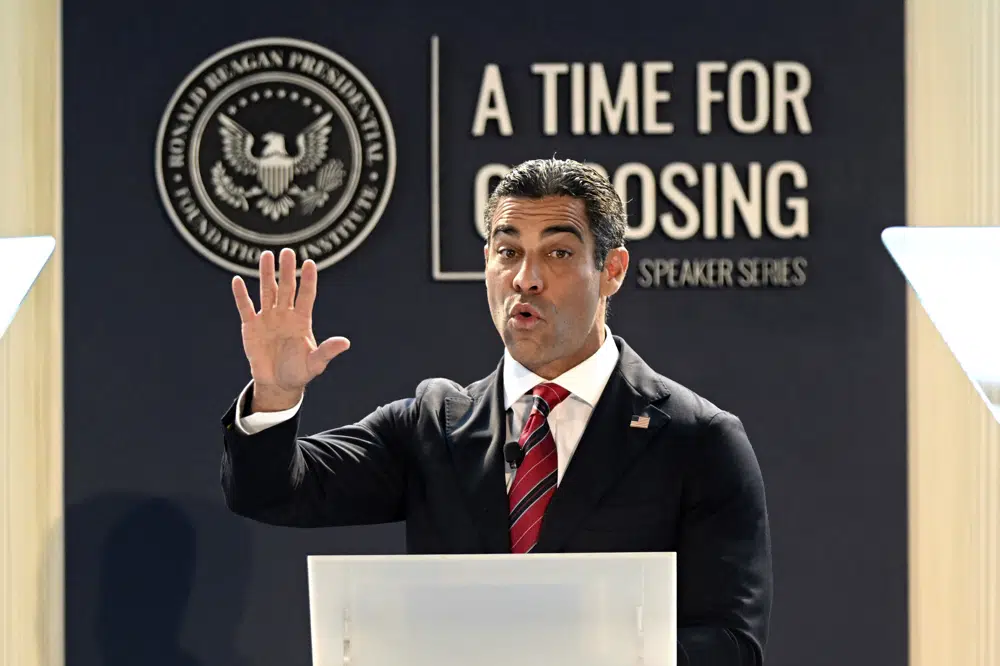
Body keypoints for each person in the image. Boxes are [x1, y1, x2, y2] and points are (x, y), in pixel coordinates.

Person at [221, 158, 772, 666]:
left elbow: (731, 645)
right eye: (508, 251)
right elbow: (274, 491)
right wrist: (274, 394)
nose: (526, 279)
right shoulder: (433, 427)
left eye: (558, 253)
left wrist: (569, 649)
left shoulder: (697, 439)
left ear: (612, 270)